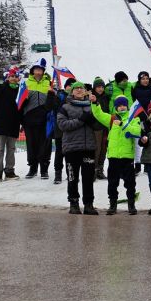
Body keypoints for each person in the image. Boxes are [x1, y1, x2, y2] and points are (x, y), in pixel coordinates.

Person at [91, 94, 141, 215]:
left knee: (130, 183)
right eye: (119, 105)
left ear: (127, 106)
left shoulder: (134, 118)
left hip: (127, 157)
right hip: (113, 157)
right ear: (116, 107)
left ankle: (131, 204)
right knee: (112, 183)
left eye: (124, 105)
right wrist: (94, 103)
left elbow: (137, 131)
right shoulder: (112, 119)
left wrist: (123, 124)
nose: (122, 107)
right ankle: (113, 205)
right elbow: (99, 114)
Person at [56, 81, 98, 215]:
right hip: (72, 148)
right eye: (76, 88)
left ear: (86, 91)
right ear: (72, 92)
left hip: (88, 147)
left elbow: (100, 124)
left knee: (88, 178)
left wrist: (94, 115)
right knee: (72, 177)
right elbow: (63, 125)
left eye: (81, 88)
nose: (79, 90)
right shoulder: (65, 107)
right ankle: (73, 203)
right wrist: (81, 120)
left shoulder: (91, 106)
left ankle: (89, 204)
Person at [21, 62, 57, 179]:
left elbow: (53, 104)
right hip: (29, 119)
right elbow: (20, 103)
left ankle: (44, 169)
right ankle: (32, 168)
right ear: (32, 71)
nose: (37, 72)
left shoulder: (49, 83)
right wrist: (24, 100)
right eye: (35, 69)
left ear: (43, 71)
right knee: (31, 145)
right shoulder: (26, 83)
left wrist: (52, 94)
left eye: (40, 70)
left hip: (44, 119)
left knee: (45, 145)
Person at [90, 77, 110, 179]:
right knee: (96, 149)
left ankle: (100, 170)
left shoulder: (106, 97)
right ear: (94, 87)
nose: (100, 89)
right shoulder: (92, 97)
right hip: (96, 127)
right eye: (98, 87)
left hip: (105, 127)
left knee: (104, 149)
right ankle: (93, 170)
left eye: (102, 86)